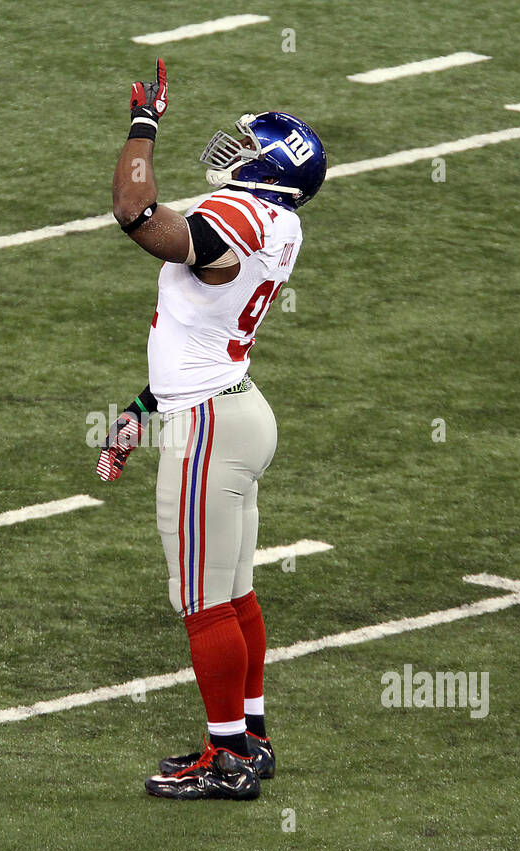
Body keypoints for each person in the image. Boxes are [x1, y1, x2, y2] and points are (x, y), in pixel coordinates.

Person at [98, 59, 327, 800]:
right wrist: (141, 408)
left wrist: (143, 126)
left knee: (200, 598)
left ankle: (228, 758)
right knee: (231, 591)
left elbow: (137, 215)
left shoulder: (242, 218)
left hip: (209, 427)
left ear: (270, 167)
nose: (231, 149)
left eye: (247, 144)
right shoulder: (279, 222)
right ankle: (249, 737)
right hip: (232, 406)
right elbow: (196, 338)